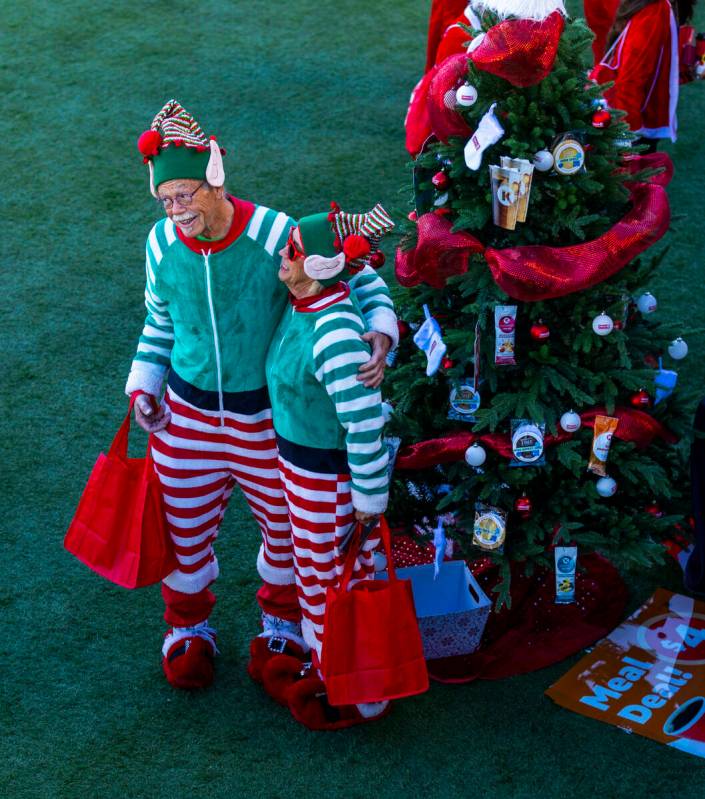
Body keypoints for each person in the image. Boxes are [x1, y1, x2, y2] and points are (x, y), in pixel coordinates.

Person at [126, 100, 399, 690]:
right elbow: (158, 322)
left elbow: (360, 274)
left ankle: (281, 624)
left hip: (266, 425)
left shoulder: (276, 232)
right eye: (166, 200)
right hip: (184, 417)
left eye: (185, 195)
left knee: (284, 530)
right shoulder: (158, 244)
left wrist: (379, 329)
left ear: (215, 178)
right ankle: (187, 630)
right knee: (182, 529)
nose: (177, 212)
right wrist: (145, 385)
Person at [262, 204, 394, 729]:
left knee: (329, 580)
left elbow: (364, 427)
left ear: (317, 266)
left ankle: (349, 683)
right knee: (316, 574)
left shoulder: (336, 335)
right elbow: (367, 278)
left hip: (326, 480)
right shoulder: (308, 304)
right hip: (301, 470)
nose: (282, 255)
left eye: (292, 249)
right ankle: (333, 667)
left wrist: (367, 500)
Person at [591, 0, 680, 149]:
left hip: (628, 116)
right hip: (633, 125)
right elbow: (630, 80)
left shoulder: (654, 8)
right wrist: (626, 139)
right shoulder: (654, 11)